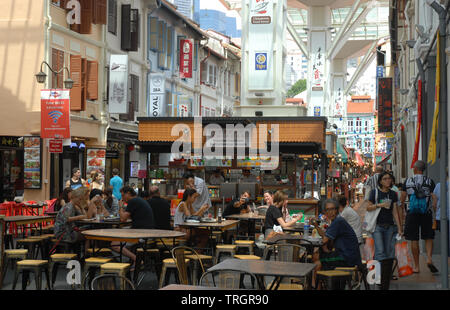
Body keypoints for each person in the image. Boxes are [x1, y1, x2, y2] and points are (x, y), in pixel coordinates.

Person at [310, 199, 362, 289]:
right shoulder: (337, 220)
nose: (330, 212)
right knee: (317, 256)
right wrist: (316, 225)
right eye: (328, 210)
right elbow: (326, 236)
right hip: (348, 256)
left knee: (317, 263)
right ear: (325, 212)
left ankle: (316, 287)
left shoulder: (338, 222)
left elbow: (324, 240)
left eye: (333, 209)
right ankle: (324, 285)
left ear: (337, 209)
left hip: (347, 258)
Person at [400, 160, 438, 274]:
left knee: (414, 239)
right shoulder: (429, 181)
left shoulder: (407, 181)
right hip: (426, 213)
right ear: (423, 170)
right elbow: (435, 199)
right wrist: (434, 212)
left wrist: (403, 212)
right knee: (428, 237)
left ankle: (416, 266)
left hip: (412, 213)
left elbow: (402, 199)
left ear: (415, 169)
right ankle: (429, 259)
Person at [366, 171, 402, 289]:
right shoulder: (374, 193)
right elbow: (368, 207)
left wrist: (400, 228)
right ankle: (379, 279)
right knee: (380, 252)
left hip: (390, 226)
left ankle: (385, 279)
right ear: (380, 181)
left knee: (388, 253)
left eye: (389, 179)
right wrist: (380, 205)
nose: (388, 181)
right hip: (377, 226)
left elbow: (395, 211)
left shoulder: (393, 194)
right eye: (385, 179)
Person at [115, 186, 155, 267]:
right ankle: (133, 262)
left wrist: (120, 207)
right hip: (148, 231)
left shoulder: (133, 201)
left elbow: (123, 219)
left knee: (115, 245)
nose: (122, 198)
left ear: (128, 193)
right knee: (122, 238)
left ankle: (136, 259)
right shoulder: (138, 200)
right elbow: (129, 216)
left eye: (123, 195)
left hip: (141, 233)